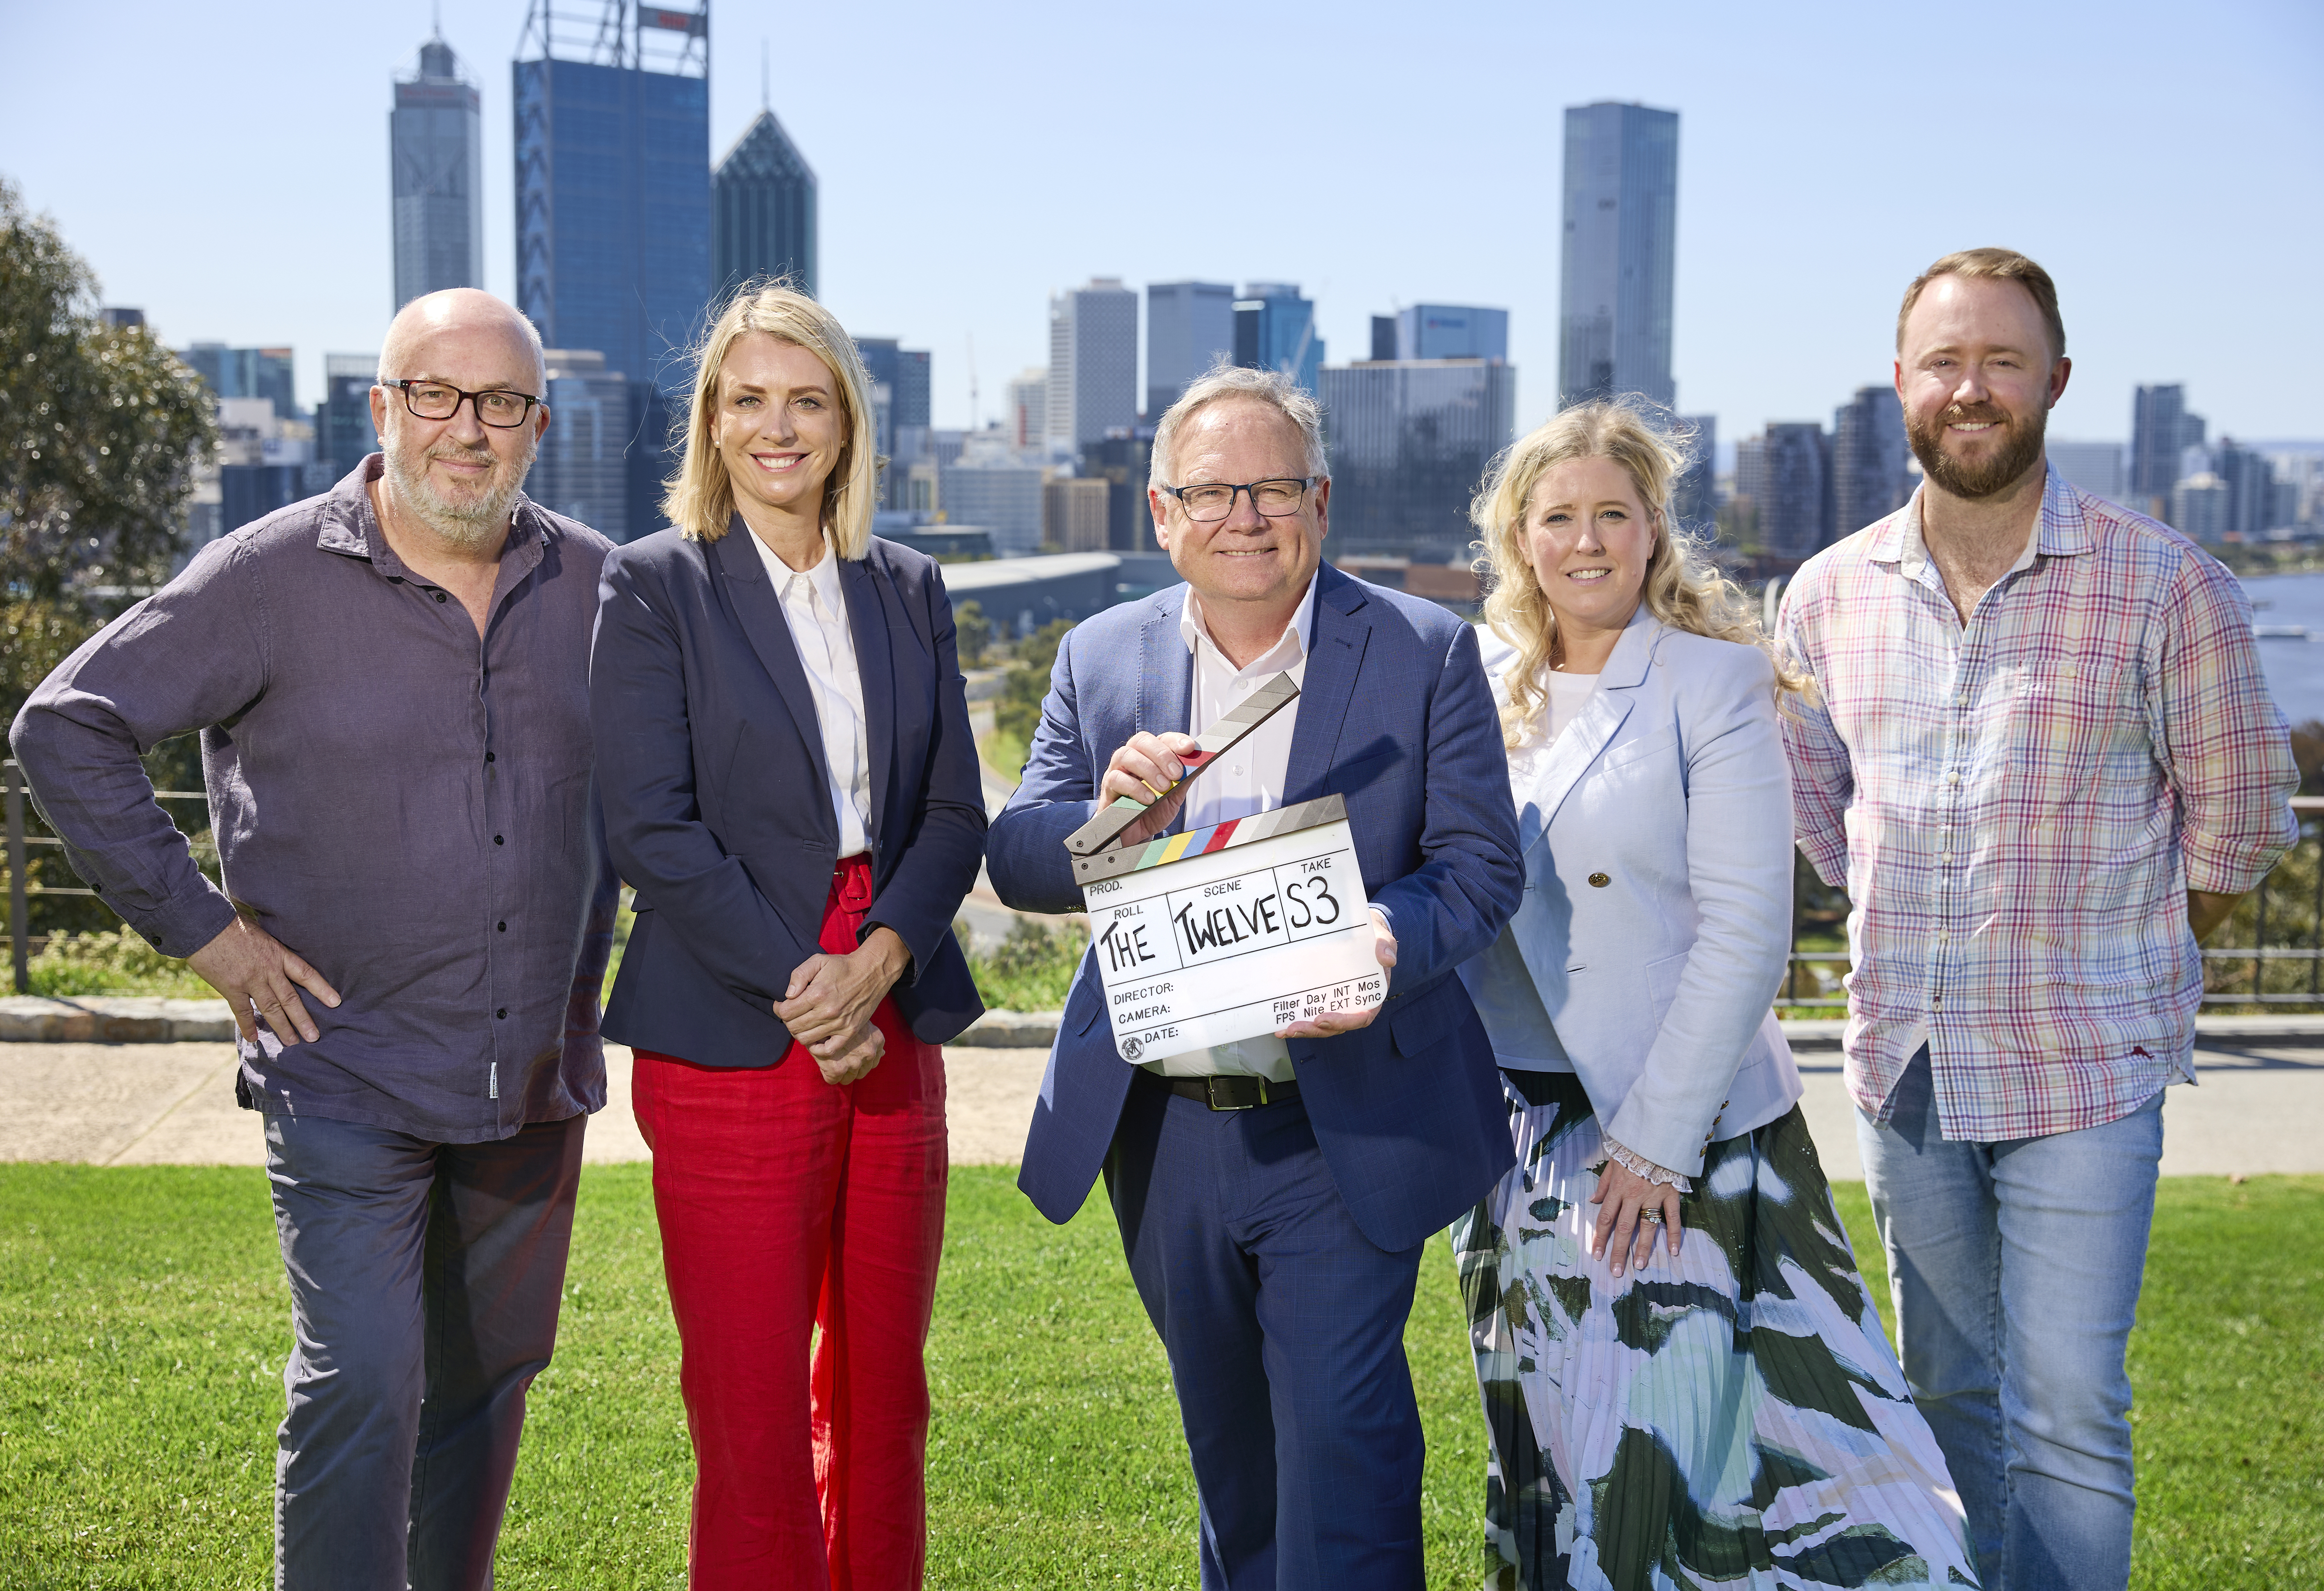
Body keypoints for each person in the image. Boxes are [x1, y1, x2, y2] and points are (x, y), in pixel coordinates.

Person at [10, 288, 616, 1587]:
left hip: (530, 1076)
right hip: (344, 1063)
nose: (470, 429)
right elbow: (67, 726)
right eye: (438, 396)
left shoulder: (599, 585)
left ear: (539, 425)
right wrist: (207, 935)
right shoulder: (269, 576)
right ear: (383, 408)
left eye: (501, 403)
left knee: (490, 1381)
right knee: (365, 1384)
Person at [1775, 248, 2300, 1591]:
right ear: (1899, 383)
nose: (1971, 388)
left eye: (2001, 362)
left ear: (2054, 382)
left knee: (2066, 1416)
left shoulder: (2167, 584)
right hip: (1906, 1069)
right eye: (1944, 361)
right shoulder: (1824, 595)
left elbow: (2234, 831)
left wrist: (2109, 955)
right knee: (1943, 1406)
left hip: (2086, 1066)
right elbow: (1821, 817)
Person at [986, 362, 1523, 1589]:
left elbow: (1481, 868)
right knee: (1229, 1458)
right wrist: (1105, 822)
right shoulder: (1099, 654)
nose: (1245, 515)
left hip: (1337, 1117)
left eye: (1274, 487)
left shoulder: (1420, 649)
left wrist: (1382, 940)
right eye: (1213, 492)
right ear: (1162, 514)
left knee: (1342, 1449)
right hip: (1163, 1125)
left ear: (1319, 503)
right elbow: (1018, 857)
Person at [1450, 400, 1976, 1589]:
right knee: (1546, 1450)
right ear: (1518, 537)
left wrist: (1652, 1146)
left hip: (1680, 1136)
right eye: (1557, 518)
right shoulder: (1471, 680)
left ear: (1651, 531)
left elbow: (1747, 932)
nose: (1585, 541)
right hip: (1511, 1136)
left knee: (1718, 1459)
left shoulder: (1713, 682)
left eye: (1611, 515)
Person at [589, 283, 985, 1590]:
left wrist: (878, 962)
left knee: (887, 1389)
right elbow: (650, 827)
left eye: (805, 400)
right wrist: (805, 984)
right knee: (750, 1409)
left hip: (895, 977)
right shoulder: (653, 586)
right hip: (729, 1008)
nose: (778, 426)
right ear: (710, 421)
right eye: (748, 399)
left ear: (845, 421)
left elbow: (949, 811)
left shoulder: (907, 584)